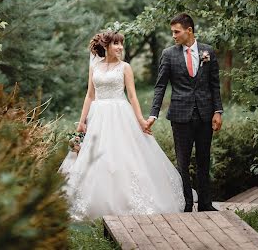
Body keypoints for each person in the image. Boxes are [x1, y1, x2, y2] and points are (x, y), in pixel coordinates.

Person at [59, 30, 185, 220]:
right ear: (106, 46)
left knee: (124, 157)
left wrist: (141, 120)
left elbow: (133, 96)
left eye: (121, 44)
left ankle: (126, 202)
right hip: (98, 116)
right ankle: (96, 204)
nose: (120, 48)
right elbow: (90, 95)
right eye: (116, 44)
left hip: (120, 115)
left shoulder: (125, 67)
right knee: (97, 159)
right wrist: (82, 121)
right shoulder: (95, 67)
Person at [146, 13, 223, 212]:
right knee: (183, 162)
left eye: (176, 31)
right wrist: (154, 113)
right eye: (172, 32)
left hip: (205, 115)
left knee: (204, 161)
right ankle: (187, 204)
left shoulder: (208, 51)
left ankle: (206, 204)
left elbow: (215, 84)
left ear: (189, 31)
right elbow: (160, 86)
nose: (174, 35)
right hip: (180, 116)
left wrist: (218, 111)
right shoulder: (169, 54)